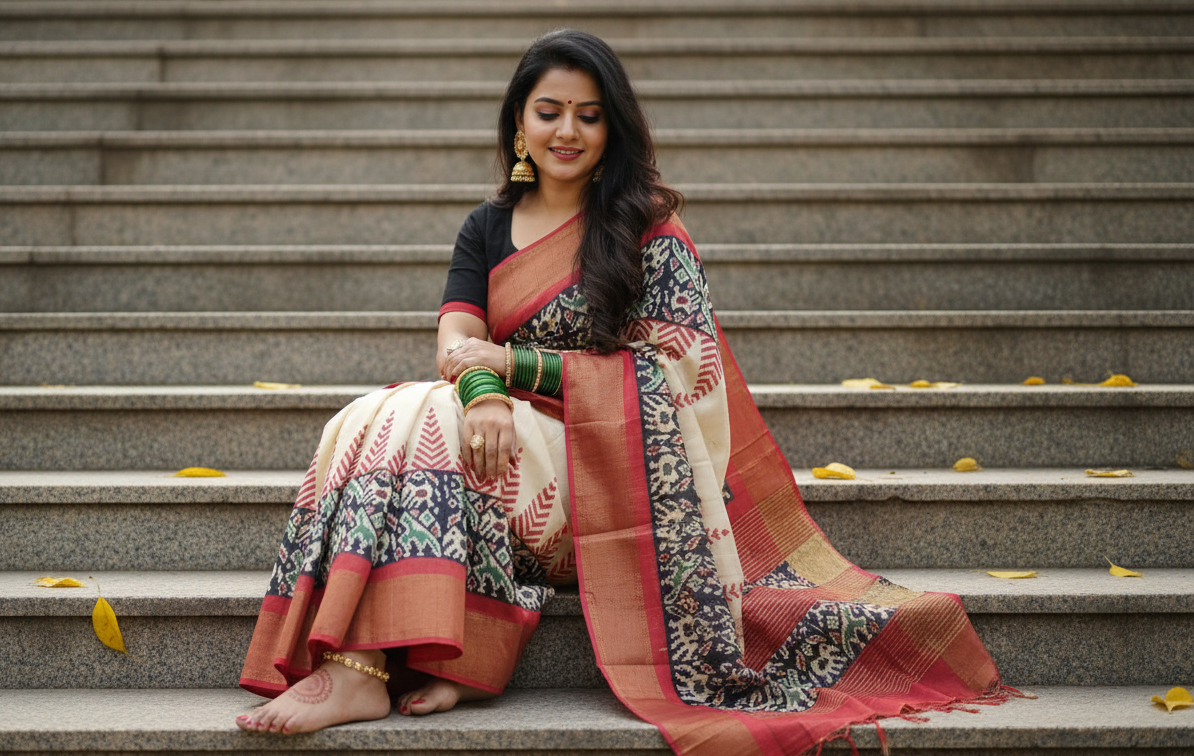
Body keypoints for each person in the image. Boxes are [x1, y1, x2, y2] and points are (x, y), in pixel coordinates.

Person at [234, 29, 1016, 756]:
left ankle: (372, 665)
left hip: (613, 494)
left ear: (613, 131)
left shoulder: (649, 232)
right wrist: (485, 393)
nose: (566, 131)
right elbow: (456, 343)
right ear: (518, 124)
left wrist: (520, 372)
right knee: (379, 411)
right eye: (548, 112)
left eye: (589, 115)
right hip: (490, 459)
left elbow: (683, 380)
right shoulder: (485, 227)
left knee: (412, 412)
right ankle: (366, 667)